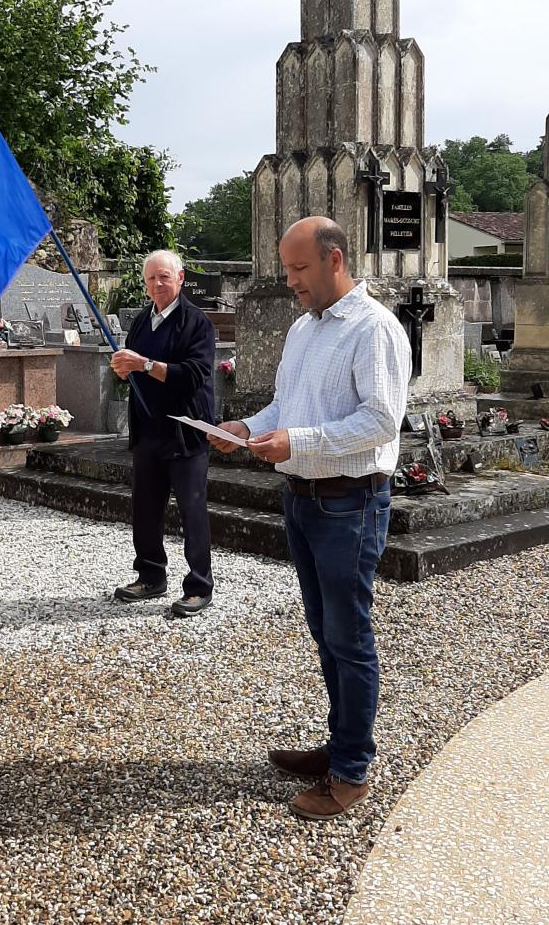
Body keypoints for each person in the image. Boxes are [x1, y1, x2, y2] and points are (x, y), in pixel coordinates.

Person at [209, 217, 411, 820]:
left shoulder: (374, 330)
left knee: (348, 639)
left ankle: (351, 771)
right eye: (287, 268)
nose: (290, 281)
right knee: (326, 632)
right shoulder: (303, 328)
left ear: (335, 260)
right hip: (303, 498)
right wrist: (248, 426)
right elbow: (287, 404)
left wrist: (296, 441)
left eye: (299, 269)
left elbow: (380, 422)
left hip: (349, 503)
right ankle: (338, 745)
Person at [111, 250, 216, 617]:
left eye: (165, 277)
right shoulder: (142, 321)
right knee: (145, 508)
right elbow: (135, 368)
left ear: (181, 278)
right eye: (151, 278)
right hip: (148, 429)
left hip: (185, 431)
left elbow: (194, 375)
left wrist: (144, 364)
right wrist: (125, 369)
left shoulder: (197, 323)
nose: (157, 284)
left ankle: (199, 585)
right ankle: (150, 574)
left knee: (192, 510)